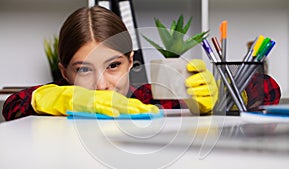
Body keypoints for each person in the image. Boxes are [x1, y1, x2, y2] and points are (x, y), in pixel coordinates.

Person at [2, 6, 218, 121]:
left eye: (113, 65)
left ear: (131, 61)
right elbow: (12, 106)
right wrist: (63, 98)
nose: (101, 85)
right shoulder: (61, 97)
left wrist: (197, 104)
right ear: (65, 73)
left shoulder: (144, 97)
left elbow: (180, 110)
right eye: (84, 69)